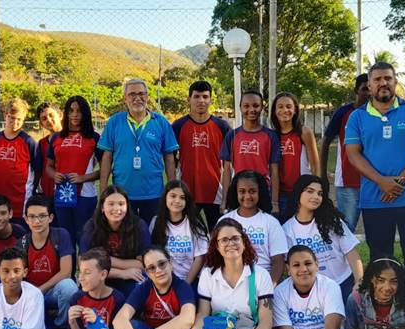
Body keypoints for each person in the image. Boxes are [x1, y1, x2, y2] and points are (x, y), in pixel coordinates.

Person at [344, 62, 405, 310]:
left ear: (396, 82)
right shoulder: (358, 117)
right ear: (369, 85)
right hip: (375, 200)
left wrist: (400, 181)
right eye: (377, 79)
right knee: (381, 258)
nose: (383, 83)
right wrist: (381, 181)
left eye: (388, 78)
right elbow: (353, 154)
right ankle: (383, 311)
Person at [98, 78, 178, 225]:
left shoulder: (161, 122)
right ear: (125, 98)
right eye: (132, 94)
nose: (137, 98)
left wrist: (172, 189)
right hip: (122, 194)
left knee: (153, 236)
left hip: (153, 192)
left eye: (141, 94)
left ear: (147, 96)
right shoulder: (114, 122)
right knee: (126, 236)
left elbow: (169, 157)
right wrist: (103, 190)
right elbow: (107, 157)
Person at [282, 175, 363, 298]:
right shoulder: (287, 229)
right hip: (311, 289)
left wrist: (359, 282)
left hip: (343, 282)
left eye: (320, 194)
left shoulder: (332, 221)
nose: (316, 197)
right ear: (298, 193)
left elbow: (351, 252)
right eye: (310, 191)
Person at [16, 195, 78, 329]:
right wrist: (32, 294)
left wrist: (41, 290)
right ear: (26, 219)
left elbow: (66, 272)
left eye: (42, 216)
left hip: (52, 292)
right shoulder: (22, 243)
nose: (37, 221)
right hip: (31, 294)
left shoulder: (60, 235)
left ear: (50, 217)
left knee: (69, 286)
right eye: (32, 216)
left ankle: (62, 328)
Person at [172, 80, 231, 229]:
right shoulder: (178, 126)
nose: (201, 101)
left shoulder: (222, 126)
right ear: (189, 99)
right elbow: (171, 160)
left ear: (210, 99)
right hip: (187, 191)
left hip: (215, 191)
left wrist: (226, 196)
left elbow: (229, 164)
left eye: (205, 97)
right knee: (190, 234)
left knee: (218, 234)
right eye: (197, 96)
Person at [46, 96, 102, 245]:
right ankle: (68, 269)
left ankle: (85, 268)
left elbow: (105, 170)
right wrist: (54, 175)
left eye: (79, 111)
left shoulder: (94, 137)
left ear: (86, 113)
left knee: (84, 238)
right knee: (65, 238)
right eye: (71, 111)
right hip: (62, 195)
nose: (75, 114)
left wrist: (82, 178)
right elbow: (48, 167)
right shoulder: (57, 137)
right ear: (66, 113)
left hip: (85, 195)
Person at [79, 185, 151, 297]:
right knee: (88, 278)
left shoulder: (139, 226)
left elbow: (144, 264)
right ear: (102, 207)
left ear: (127, 207)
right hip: (102, 277)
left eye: (121, 204)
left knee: (142, 280)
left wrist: (105, 260)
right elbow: (84, 265)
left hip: (128, 276)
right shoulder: (92, 226)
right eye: (111, 204)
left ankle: (134, 313)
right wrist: (121, 273)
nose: (117, 209)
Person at [219, 90, 282, 215]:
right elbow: (227, 170)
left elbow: (275, 171)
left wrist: (274, 202)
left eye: (256, 105)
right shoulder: (232, 136)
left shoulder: (270, 136)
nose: (251, 110)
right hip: (239, 191)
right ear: (240, 108)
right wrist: (225, 199)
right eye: (246, 106)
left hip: (263, 190)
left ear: (262, 108)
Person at [321, 74, 370, 232]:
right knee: (345, 229)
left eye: (371, 88)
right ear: (356, 90)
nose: (368, 92)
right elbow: (326, 142)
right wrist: (322, 174)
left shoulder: (380, 114)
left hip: (374, 182)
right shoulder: (344, 113)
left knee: (376, 229)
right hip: (348, 181)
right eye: (364, 89)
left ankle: (379, 257)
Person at [218, 171, 286, 284]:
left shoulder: (271, 222)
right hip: (231, 281)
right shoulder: (225, 221)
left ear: (260, 192)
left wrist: (269, 288)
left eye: (252, 191)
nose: (247, 196)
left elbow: (278, 261)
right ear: (236, 193)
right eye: (242, 191)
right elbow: (217, 256)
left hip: (263, 281)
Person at [270, 92, 319, 222]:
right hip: (278, 194)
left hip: (300, 193)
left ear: (295, 109)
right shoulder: (271, 135)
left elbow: (315, 165)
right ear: (274, 111)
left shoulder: (304, 132)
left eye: (288, 106)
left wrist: (317, 191)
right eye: (280, 107)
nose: (284, 110)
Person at [0, 98, 38, 228]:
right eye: (12, 118)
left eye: (19, 119)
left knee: (19, 237)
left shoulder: (29, 142)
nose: (15, 122)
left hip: (20, 203)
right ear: (6, 115)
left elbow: (37, 171)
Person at [149, 180, 209, 285]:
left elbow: (199, 258)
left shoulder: (195, 225)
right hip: (163, 278)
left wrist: (186, 284)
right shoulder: (156, 222)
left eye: (182, 198)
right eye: (173, 196)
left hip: (190, 279)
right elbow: (152, 254)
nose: (177, 201)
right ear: (165, 198)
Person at [36, 101, 62, 199]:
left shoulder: (71, 139)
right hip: (47, 193)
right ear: (41, 124)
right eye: (44, 118)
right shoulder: (42, 143)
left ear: (60, 115)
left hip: (67, 192)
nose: (49, 120)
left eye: (51, 115)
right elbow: (39, 170)